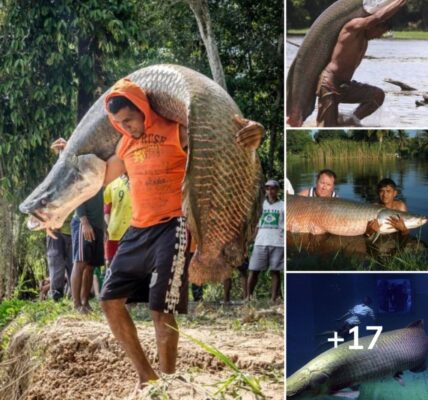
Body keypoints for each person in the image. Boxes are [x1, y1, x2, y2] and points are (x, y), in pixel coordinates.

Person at [98, 78, 264, 388]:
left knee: (160, 308)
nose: (127, 127)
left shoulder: (176, 130)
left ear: (144, 109)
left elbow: (226, 139)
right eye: (119, 123)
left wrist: (254, 132)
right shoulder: (125, 144)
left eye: (130, 119)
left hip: (173, 226)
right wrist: (67, 157)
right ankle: (147, 379)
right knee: (109, 301)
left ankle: (170, 380)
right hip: (137, 229)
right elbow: (101, 175)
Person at [316, 0, 407, 127]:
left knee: (377, 96)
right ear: (373, 25)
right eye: (380, 32)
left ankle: (350, 120)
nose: (379, 36)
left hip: (345, 85)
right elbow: (378, 17)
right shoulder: (353, 27)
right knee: (327, 127)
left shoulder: (365, 40)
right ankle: (334, 122)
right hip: (329, 83)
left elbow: (378, 19)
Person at [247, 179, 284, 303]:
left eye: (273, 188)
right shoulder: (261, 205)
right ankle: (248, 297)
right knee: (254, 270)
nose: (270, 191)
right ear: (265, 190)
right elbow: (257, 224)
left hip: (278, 242)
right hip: (260, 241)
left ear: (277, 190)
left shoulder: (283, 205)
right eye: (268, 188)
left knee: (275, 271)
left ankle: (273, 299)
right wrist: (251, 239)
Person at [46, 139, 73, 301]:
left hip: (72, 228)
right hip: (54, 229)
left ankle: (72, 296)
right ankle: (56, 295)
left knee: (72, 264)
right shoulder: (51, 181)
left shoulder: (75, 176)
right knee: (55, 263)